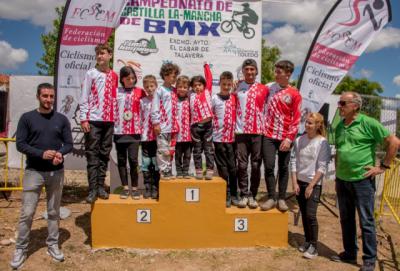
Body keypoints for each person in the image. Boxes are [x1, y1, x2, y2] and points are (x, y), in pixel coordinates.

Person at [331, 91, 399, 271]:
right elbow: (339, 151)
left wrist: (383, 167)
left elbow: (394, 142)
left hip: (362, 181)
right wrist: (338, 172)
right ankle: (350, 252)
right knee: (346, 218)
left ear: (355, 106)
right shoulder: (340, 126)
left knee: (366, 220)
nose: (340, 107)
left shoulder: (369, 123)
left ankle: (369, 259)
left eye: (343, 103)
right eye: (339, 103)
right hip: (342, 180)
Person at [10, 83, 73, 269]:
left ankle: (53, 244)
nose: (48, 100)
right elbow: (20, 144)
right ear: (38, 96)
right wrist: (40, 153)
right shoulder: (27, 118)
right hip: (33, 172)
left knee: (53, 211)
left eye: (51, 96)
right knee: (27, 213)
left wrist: (61, 153)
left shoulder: (61, 119)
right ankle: (21, 249)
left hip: (56, 172)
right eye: (45, 96)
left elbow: (68, 143)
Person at [79, 43, 118, 203]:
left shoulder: (114, 76)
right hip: (94, 120)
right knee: (92, 154)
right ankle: (92, 189)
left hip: (109, 121)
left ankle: (101, 186)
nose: (100, 56)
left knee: (104, 154)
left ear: (110, 55)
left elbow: (116, 98)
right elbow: (84, 96)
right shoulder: (91, 73)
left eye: (103, 53)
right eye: (98, 54)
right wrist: (84, 118)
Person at [261, 60, 302, 212]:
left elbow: (297, 118)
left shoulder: (295, 94)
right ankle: (271, 197)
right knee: (269, 166)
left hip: (285, 136)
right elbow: (254, 91)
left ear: (288, 74)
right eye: (275, 71)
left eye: (279, 72)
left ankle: (282, 199)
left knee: (284, 168)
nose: (275, 75)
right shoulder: (268, 87)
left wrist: (289, 138)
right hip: (268, 134)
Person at [290, 112, 331, 259]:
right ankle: (307, 241)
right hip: (299, 183)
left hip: (313, 184)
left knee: (310, 215)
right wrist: (294, 182)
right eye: (306, 122)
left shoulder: (322, 143)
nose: (307, 125)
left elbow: (322, 167)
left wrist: (311, 185)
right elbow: (293, 162)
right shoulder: (299, 140)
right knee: (304, 214)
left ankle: (314, 246)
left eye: (310, 123)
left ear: (318, 125)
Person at [234, 59, 269, 209]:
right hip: (241, 132)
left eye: (252, 69)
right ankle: (244, 194)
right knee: (241, 165)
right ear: (243, 71)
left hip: (257, 132)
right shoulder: (236, 87)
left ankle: (253, 195)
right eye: (246, 69)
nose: (249, 72)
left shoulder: (264, 89)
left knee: (255, 165)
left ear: (256, 71)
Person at [114, 66, 145, 199]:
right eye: (128, 78)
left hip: (135, 132)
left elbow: (147, 109)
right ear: (122, 79)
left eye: (133, 78)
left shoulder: (140, 92)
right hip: (119, 131)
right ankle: (125, 188)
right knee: (121, 160)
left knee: (133, 160)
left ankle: (135, 188)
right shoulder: (116, 91)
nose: (131, 81)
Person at [212, 71, 239, 207]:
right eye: (224, 84)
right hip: (218, 139)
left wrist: (237, 84)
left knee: (233, 168)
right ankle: (226, 194)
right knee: (222, 168)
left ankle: (234, 194)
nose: (226, 87)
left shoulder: (235, 97)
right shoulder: (214, 98)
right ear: (220, 83)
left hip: (232, 140)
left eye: (229, 84)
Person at [151, 63, 180, 179]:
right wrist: (156, 123)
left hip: (173, 127)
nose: (175, 78)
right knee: (163, 149)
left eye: (175, 76)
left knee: (171, 150)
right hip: (162, 126)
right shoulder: (160, 90)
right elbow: (155, 107)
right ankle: (163, 171)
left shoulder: (174, 90)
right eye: (173, 76)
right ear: (165, 75)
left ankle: (168, 170)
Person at [189, 63, 214, 180]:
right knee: (197, 150)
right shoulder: (190, 95)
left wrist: (206, 66)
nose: (197, 87)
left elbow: (209, 78)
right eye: (195, 86)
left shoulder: (207, 92)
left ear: (204, 85)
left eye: (199, 85)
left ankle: (209, 170)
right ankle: (198, 170)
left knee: (208, 149)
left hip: (208, 126)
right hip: (195, 127)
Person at [141, 75, 160, 199]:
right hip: (145, 137)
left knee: (157, 163)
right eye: (147, 86)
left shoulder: (161, 100)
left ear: (156, 86)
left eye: (152, 86)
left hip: (158, 136)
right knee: (146, 163)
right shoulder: (142, 101)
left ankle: (156, 188)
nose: (149, 88)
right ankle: (147, 187)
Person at [175, 75, 192, 179]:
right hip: (177, 133)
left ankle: (185, 171)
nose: (182, 89)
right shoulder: (173, 98)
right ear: (176, 87)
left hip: (188, 133)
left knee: (187, 154)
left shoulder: (190, 99)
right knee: (177, 154)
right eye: (180, 86)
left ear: (188, 89)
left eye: (185, 87)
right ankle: (178, 171)